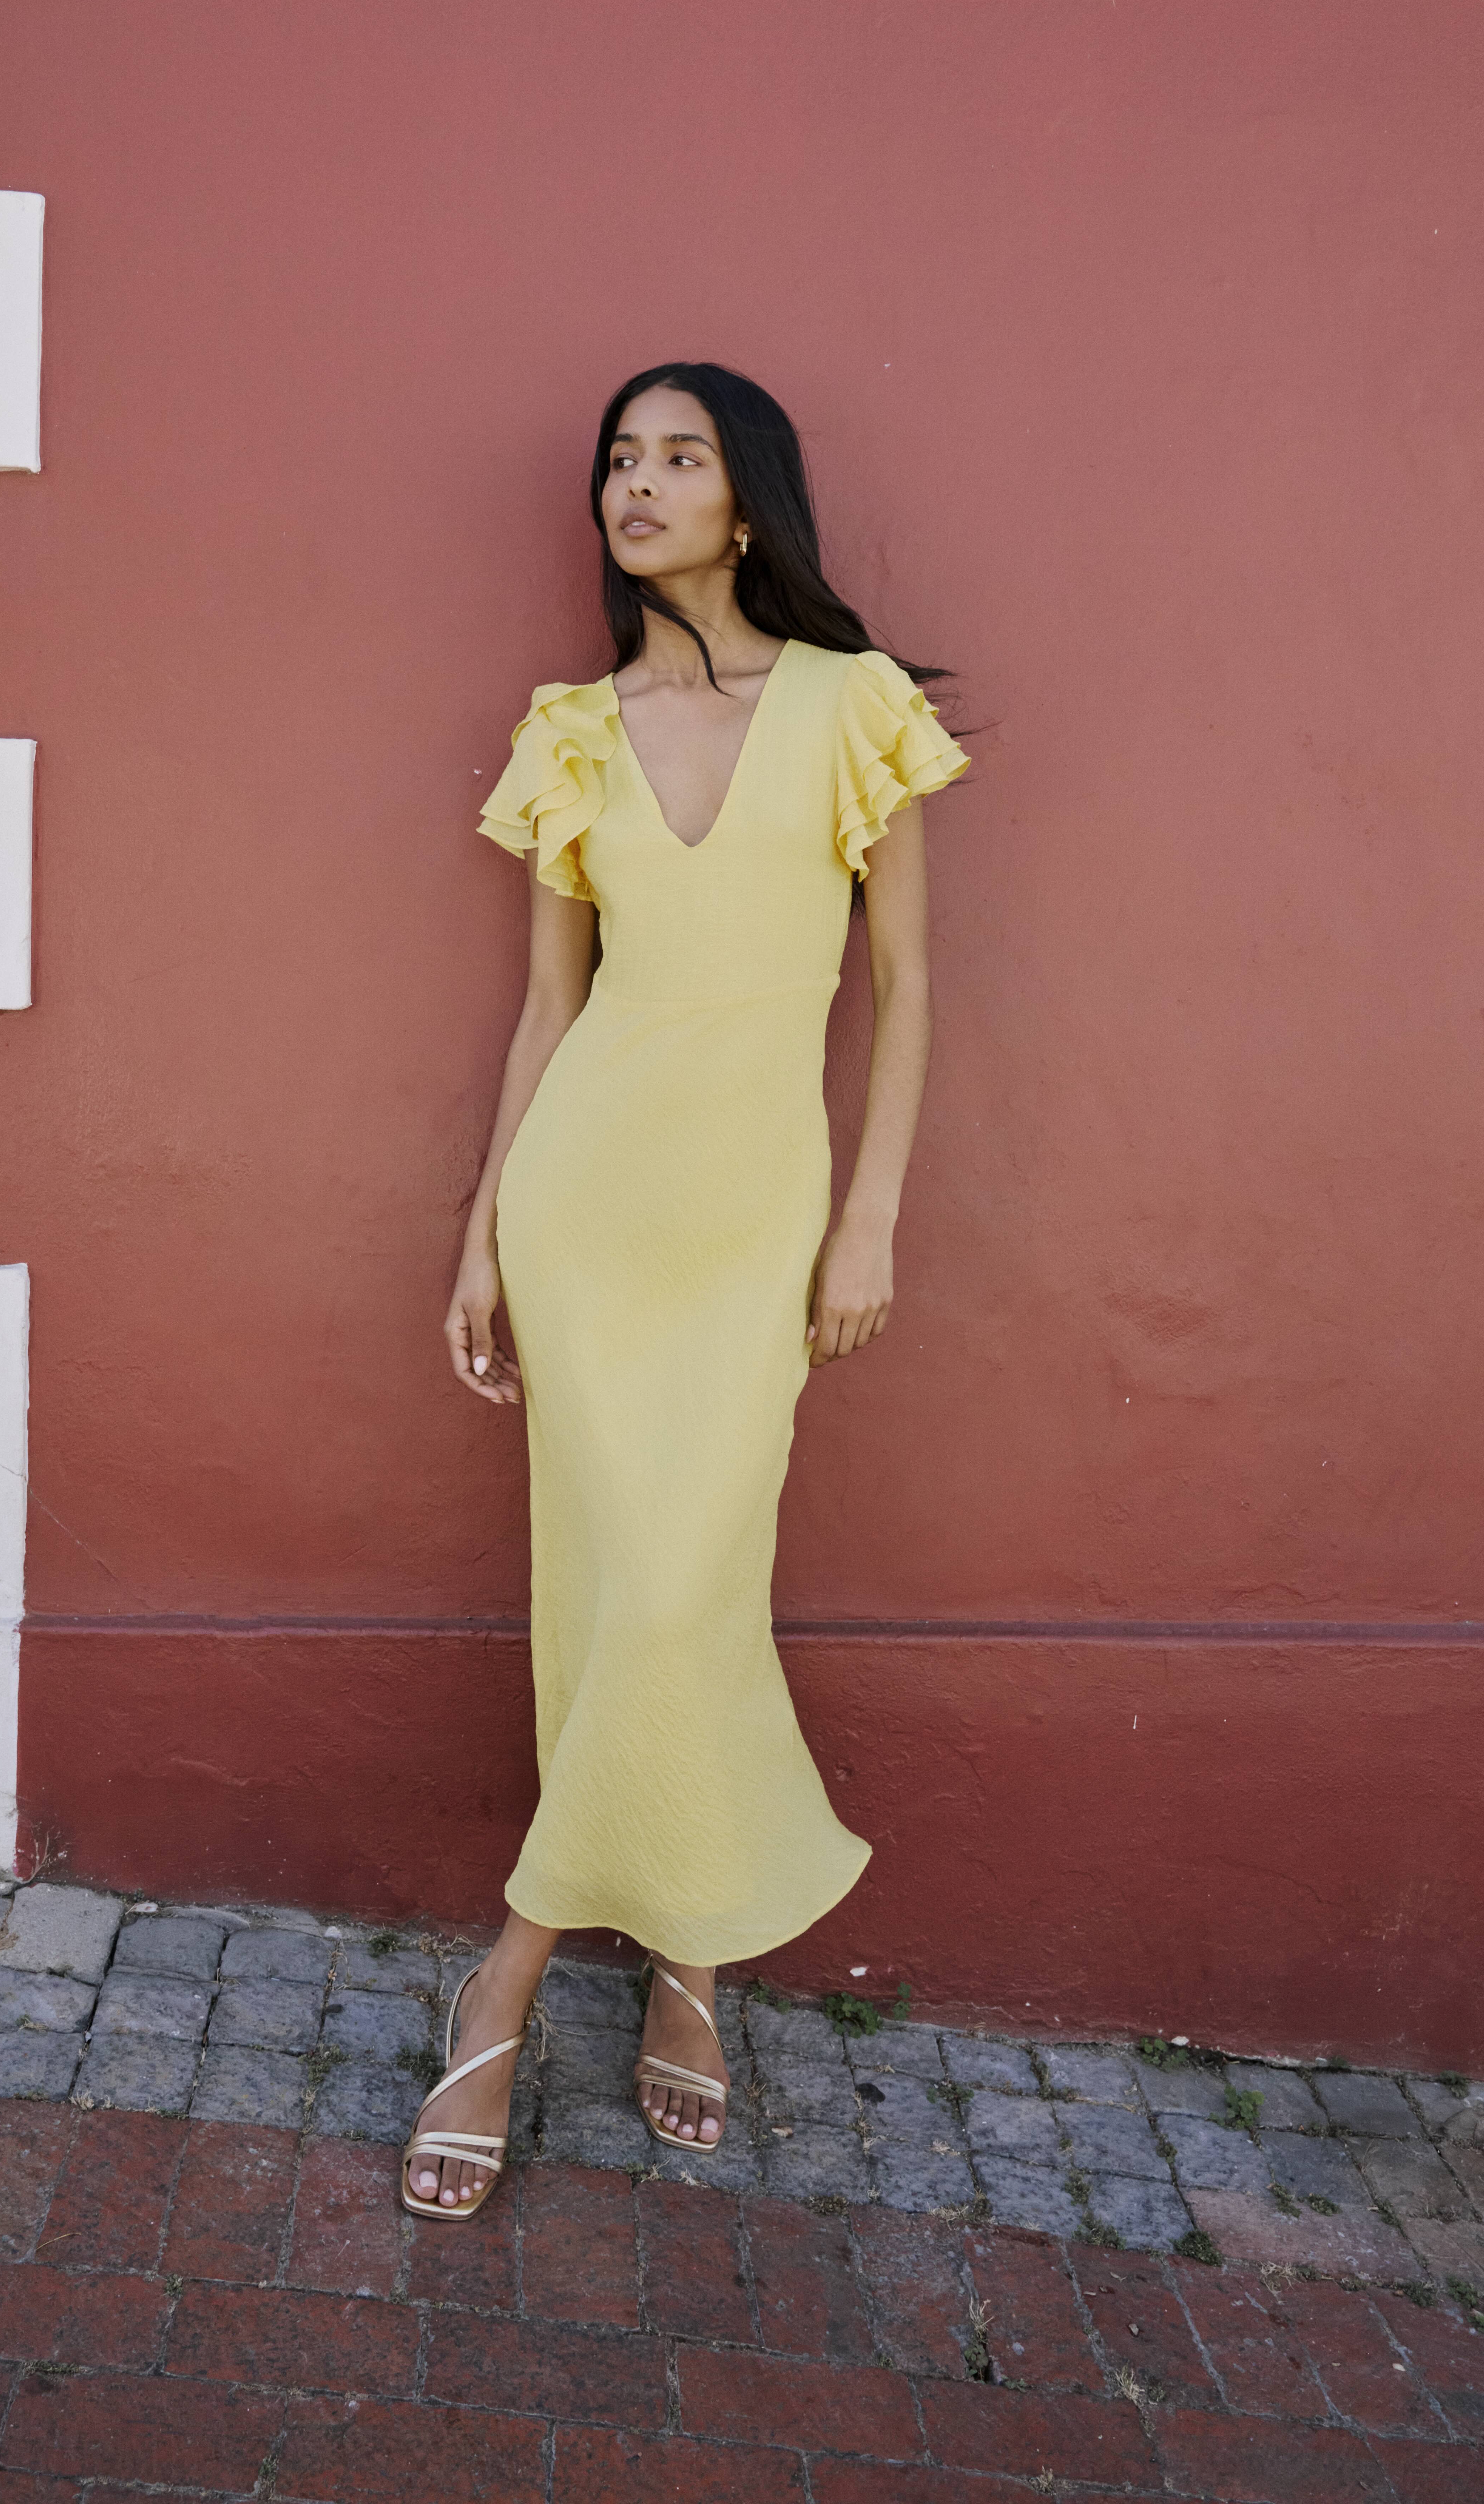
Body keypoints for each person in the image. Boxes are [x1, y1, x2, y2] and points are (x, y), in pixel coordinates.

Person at [404, 362, 969, 2218]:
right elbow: (547, 1008)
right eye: (618, 461)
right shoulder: (574, 730)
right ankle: (681, 1971)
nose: (636, 487)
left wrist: (869, 1218)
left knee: (684, 1580)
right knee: (616, 1585)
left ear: (749, 497)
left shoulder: (854, 709)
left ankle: (512, 1977)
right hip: (587, 1203)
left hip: (752, 1216)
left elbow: (905, 985)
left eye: (679, 457)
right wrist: (486, 1228)